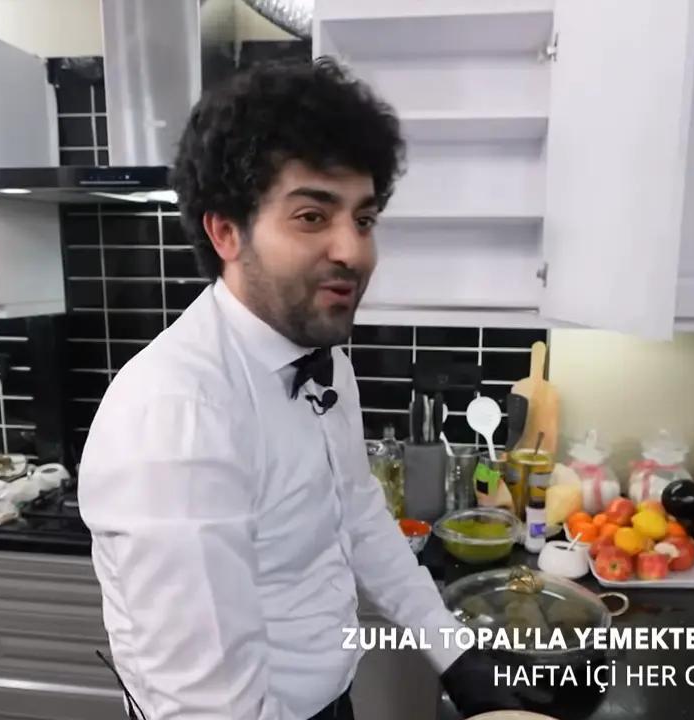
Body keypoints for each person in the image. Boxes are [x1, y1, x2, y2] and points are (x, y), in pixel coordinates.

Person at [79, 58, 530, 720]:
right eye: (313, 216)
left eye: (364, 219)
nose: (354, 250)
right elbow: (208, 709)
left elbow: (357, 511)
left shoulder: (321, 356)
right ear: (226, 232)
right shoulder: (177, 417)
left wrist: (459, 662)